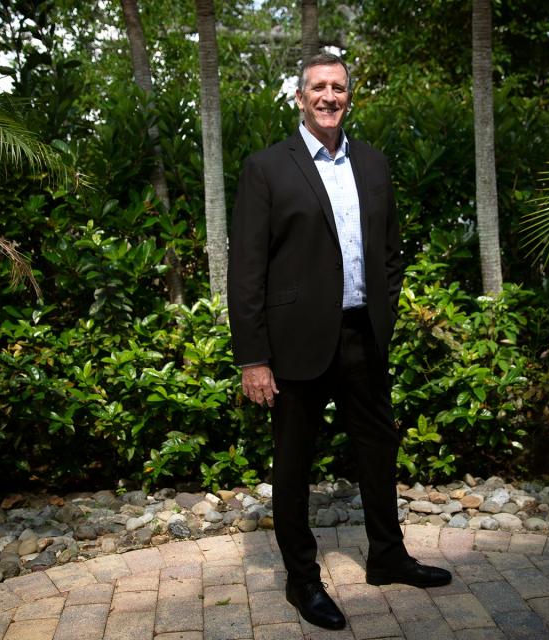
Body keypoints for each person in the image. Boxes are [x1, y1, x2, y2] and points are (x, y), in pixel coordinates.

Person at [228, 52, 451, 631]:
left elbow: (391, 254)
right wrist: (253, 357)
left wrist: (385, 316)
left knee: (379, 450)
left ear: (350, 96)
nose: (330, 96)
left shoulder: (373, 164)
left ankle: (388, 556)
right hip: (295, 344)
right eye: (318, 87)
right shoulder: (267, 167)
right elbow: (247, 269)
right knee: (294, 466)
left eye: (340, 88)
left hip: (362, 338)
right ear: (300, 97)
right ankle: (302, 582)